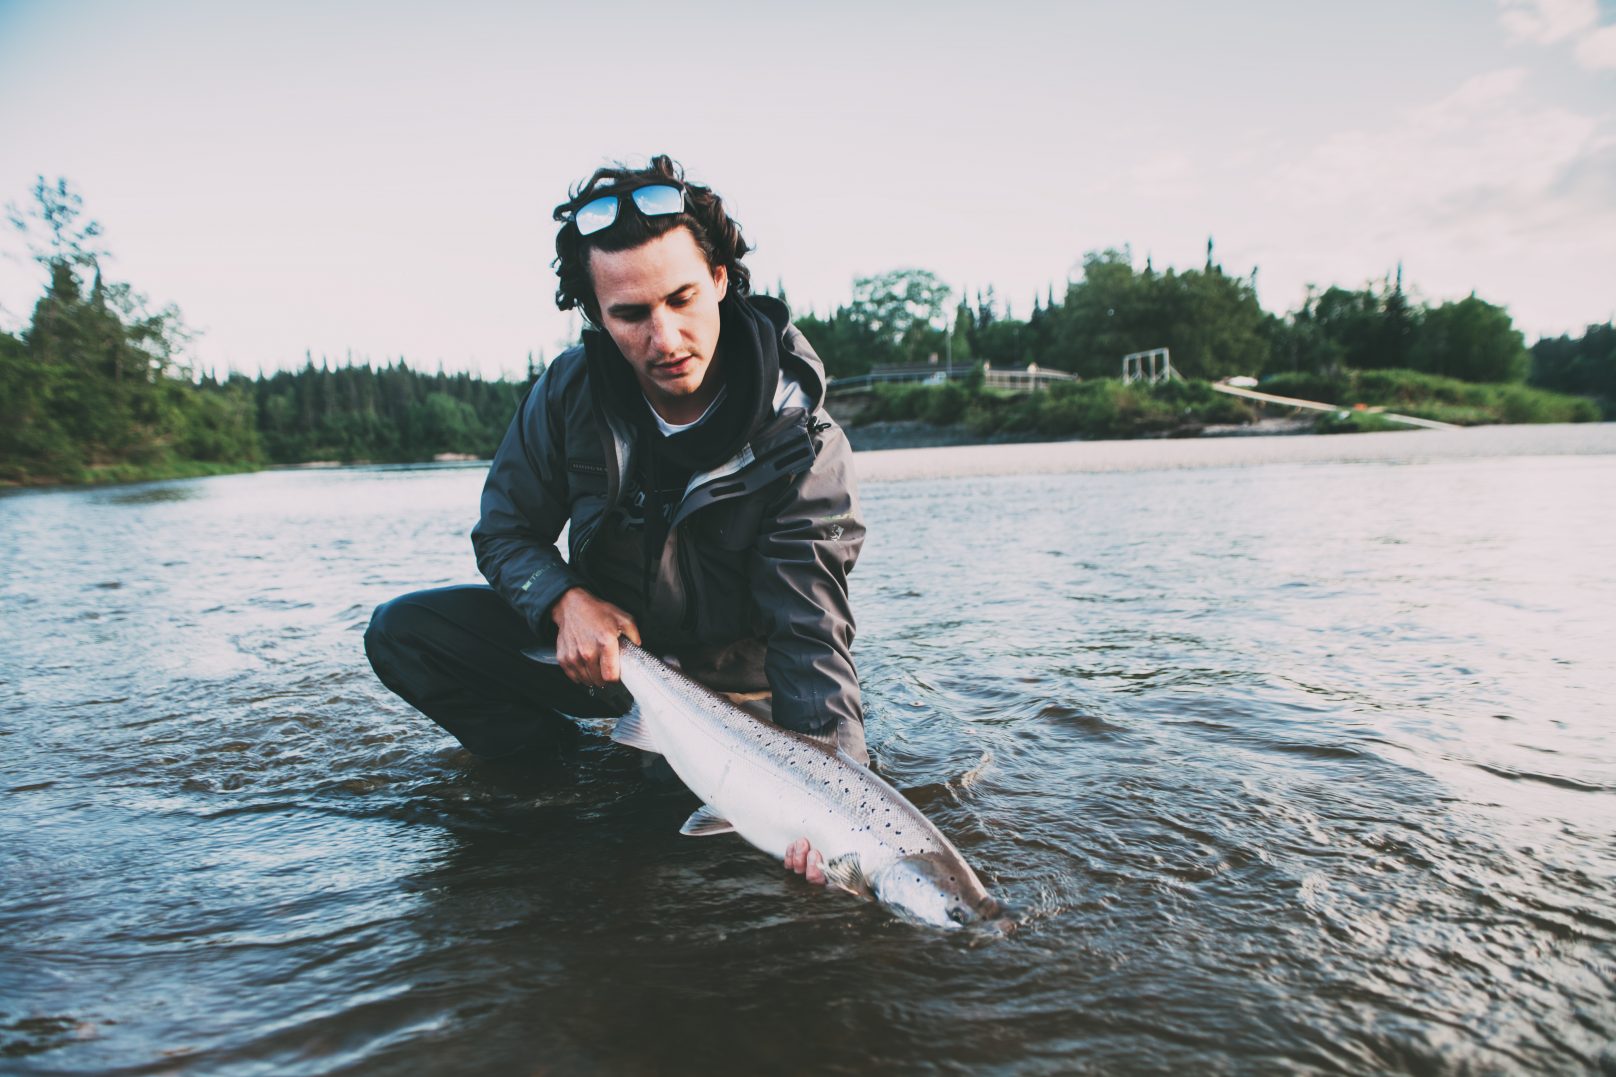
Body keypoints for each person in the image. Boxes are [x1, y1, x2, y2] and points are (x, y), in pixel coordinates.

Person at [364, 154, 865, 885]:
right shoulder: (569, 395)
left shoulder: (804, 440)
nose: (664, 338)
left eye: (682, 299)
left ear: (721, 281)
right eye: (630, 315)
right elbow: (505, 532)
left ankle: (654, 771)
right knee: (404, 635)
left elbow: (809, 630)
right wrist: (562, 599)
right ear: (597, 316)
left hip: (739, 692)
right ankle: (575, 766)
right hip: (610, 662)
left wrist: (834, 799)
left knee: (717, 841)